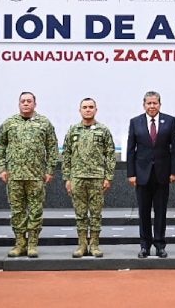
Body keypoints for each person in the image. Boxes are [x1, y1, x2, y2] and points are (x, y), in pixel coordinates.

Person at [0, 91, 59, 258]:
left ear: (34, 104)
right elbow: (0, 146)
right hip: (14, 176)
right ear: (18, 104)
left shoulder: (44, 123)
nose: (26, 104)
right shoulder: (9, 123)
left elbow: (52, 148)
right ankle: (19, 243)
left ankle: (32, 244)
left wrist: (50, 170)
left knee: (35, 211)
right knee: (17, 211)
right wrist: (1, 168)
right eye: (23, 101)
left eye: (29, 101)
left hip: (36, 176)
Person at [126, 91, 175, 259]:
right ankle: (144, 246)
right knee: (143, 212)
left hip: (162, 174)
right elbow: (130, 150)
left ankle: (159, 245)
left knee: (160, 212)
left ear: (160, 104)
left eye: (155, 103)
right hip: (141, 175)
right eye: (149, 103)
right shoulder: (135, 122)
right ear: (144, 105)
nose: (152, 106)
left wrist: (174, 171)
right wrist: (131, 174)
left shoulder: (169, 121)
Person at [61, 97, 115, 258]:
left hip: (97, 178)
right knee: (80, 214)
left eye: (91, 107)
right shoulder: (73, 130)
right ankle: (82, 245)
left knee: (96, 213)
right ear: (80, 110)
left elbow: (110, 155)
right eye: (84, 107)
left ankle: (95, 245)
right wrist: (67, 178)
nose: (88, 109)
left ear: (96, 110)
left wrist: (108, 177)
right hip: (77, 178)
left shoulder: (103, 130)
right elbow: (66, 155)